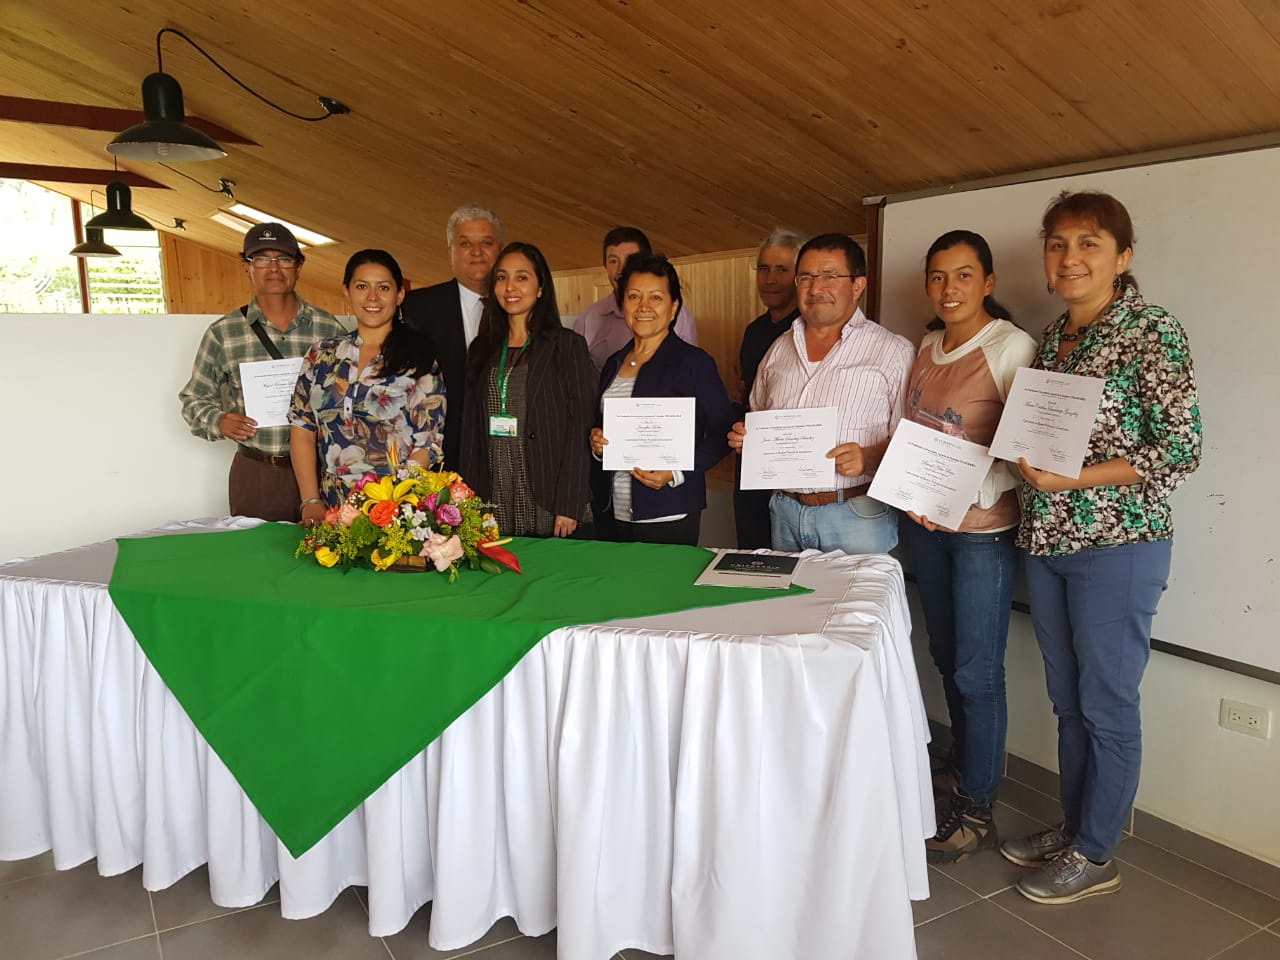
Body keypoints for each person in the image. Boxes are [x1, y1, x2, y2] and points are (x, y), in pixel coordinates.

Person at [1000, 192, 1202, 904]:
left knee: (1107, 701)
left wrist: (1074, 477)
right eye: (1057, 243)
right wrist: (1027, 461)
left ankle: (1096, 852)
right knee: (1068, 700)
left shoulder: (1151, 329)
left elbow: (1181, 448)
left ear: (1123, 256)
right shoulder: (1054, 336)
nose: (1070, 257)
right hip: (1048, 537)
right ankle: (1073, 825)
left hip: (1118, 542)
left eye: (1089, 243)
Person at [897, 230, 1037, 863]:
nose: (948, 289)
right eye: (937, 277)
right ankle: (958, 768)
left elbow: (1023, 453)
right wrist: (916, 494)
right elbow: (912, 433)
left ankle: (978, 808)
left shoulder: (1013, 348)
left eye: (962, 276)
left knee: (978, 672)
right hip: (925, 528)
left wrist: (956, 495)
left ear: (988, 283)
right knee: (947, 654)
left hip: (981, 535)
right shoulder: (926, 345)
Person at [727, 233, 915, 554]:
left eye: (829, 276)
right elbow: (757, 415)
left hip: (855, 514)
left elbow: (911, 443)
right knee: (793, 605)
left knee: (856, 606)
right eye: (806, 278)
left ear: (857, 285)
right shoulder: (777, 350)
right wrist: (748, 439)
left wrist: (868, 457)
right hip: (784, 513)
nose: (815, 289)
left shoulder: (892, 351)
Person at [179, 223, 344, 521]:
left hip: (322, 471)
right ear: (247, 267)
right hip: (256, 471)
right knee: (256, 561)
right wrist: (219, 420)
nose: (273, 268)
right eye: (261, 259)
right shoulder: (224, 333)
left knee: (328, 559)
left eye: (283, 259)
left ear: (299, 266)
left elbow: (350, 397)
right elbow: (193, 399)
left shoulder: (328, 328)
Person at [289, 250, 446, 524]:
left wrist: (386, 504)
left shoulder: (418, 360)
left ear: (399, 295)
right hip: (329, 512)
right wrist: (310, 501)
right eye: (362, 286)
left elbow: (428, 443)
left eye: (383, 288)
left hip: (396, 514)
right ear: (346, 292)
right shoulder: (321, 355)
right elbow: (302, 427)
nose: (372, 297)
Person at [589, 253, 733, 545]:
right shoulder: (614, 363)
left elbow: (723, 433)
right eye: (633, 297)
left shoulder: (693, 362)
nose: (643, 307)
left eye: (655, 297)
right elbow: (601, 427)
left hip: (669, 512)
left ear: (673, 307)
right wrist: (597, 443)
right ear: (622, 304)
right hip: (612, 510)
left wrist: (676, 471)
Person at [459, 242, 596, 537]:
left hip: (550, 497)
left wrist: (569, 503)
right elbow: (470, 432)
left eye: (522, 277)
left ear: (540, 288)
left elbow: (580, 427)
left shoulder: (566, 346)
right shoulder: (481, 349)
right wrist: (468, 502)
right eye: (502, 277)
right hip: (492, 494)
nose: (510, 287)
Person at [401, 203, 502, 470]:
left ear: (499, 249)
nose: (477, 252)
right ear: (451, 251)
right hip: (442, 457)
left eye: (487, 242)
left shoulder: (519, 306)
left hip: (510, 458)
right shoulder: (416, 308)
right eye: (465, 243)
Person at [734, 229, 805, 548]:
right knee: (753, 553)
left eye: (781, 269)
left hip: (795, 470)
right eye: (763, 269)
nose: (770, 279)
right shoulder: (753, 332)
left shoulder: (808, 330)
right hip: (751, 464)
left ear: (798, 276)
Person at [573, 226, 698, 371]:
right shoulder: (586, 319)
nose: (621, 269)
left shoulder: (680, 316)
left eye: (630, 259)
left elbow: (690, 370)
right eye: (613, 261)